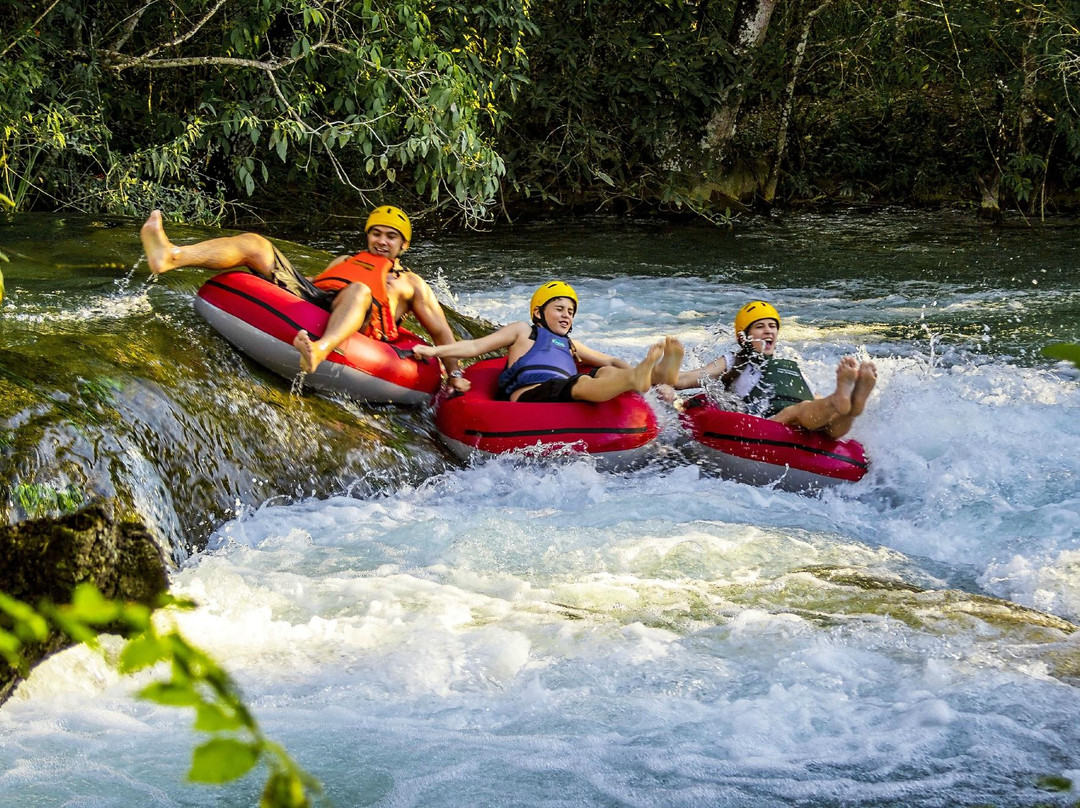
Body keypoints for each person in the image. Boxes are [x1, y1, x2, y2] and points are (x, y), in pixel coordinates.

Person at [140, 206, 468, 390]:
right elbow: (313, 284)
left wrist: (453, 375)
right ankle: (172, 256)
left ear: (404, 245)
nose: (382, 241)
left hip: (362, 320)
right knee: (256, 244)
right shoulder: (345, 262)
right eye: (376, 233)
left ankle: (319, 350)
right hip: (318, 300)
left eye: (391, 237)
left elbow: (441, 333)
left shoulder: (412, 283)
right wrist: (270, 281)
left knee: (360, 290)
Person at [412, 281, 684, 403]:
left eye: (570, 311)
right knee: (582, 382)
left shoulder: (571, 344)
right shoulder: (523, 332)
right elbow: (473, 347)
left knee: (606, 371)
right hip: (532, 393)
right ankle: (637, 379)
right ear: (538, 313)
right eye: (559, 308)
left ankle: (654, 376)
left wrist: (627, 369)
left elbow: (610, 360)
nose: (566, 315)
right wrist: (433, 350)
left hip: (563, 390)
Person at [663, 300, 876, 438]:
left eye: (772, 326)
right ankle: (842, 401)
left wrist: (831, 405)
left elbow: (815, 400)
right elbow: (687, 378)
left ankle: (852, 405)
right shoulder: (735, 361)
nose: (769, 331)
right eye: (760, 326)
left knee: (831, 424)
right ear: (743, 337)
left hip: (808, 421)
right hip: (767, 424)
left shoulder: (790, 367)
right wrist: (664, 381)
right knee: (796, 411)